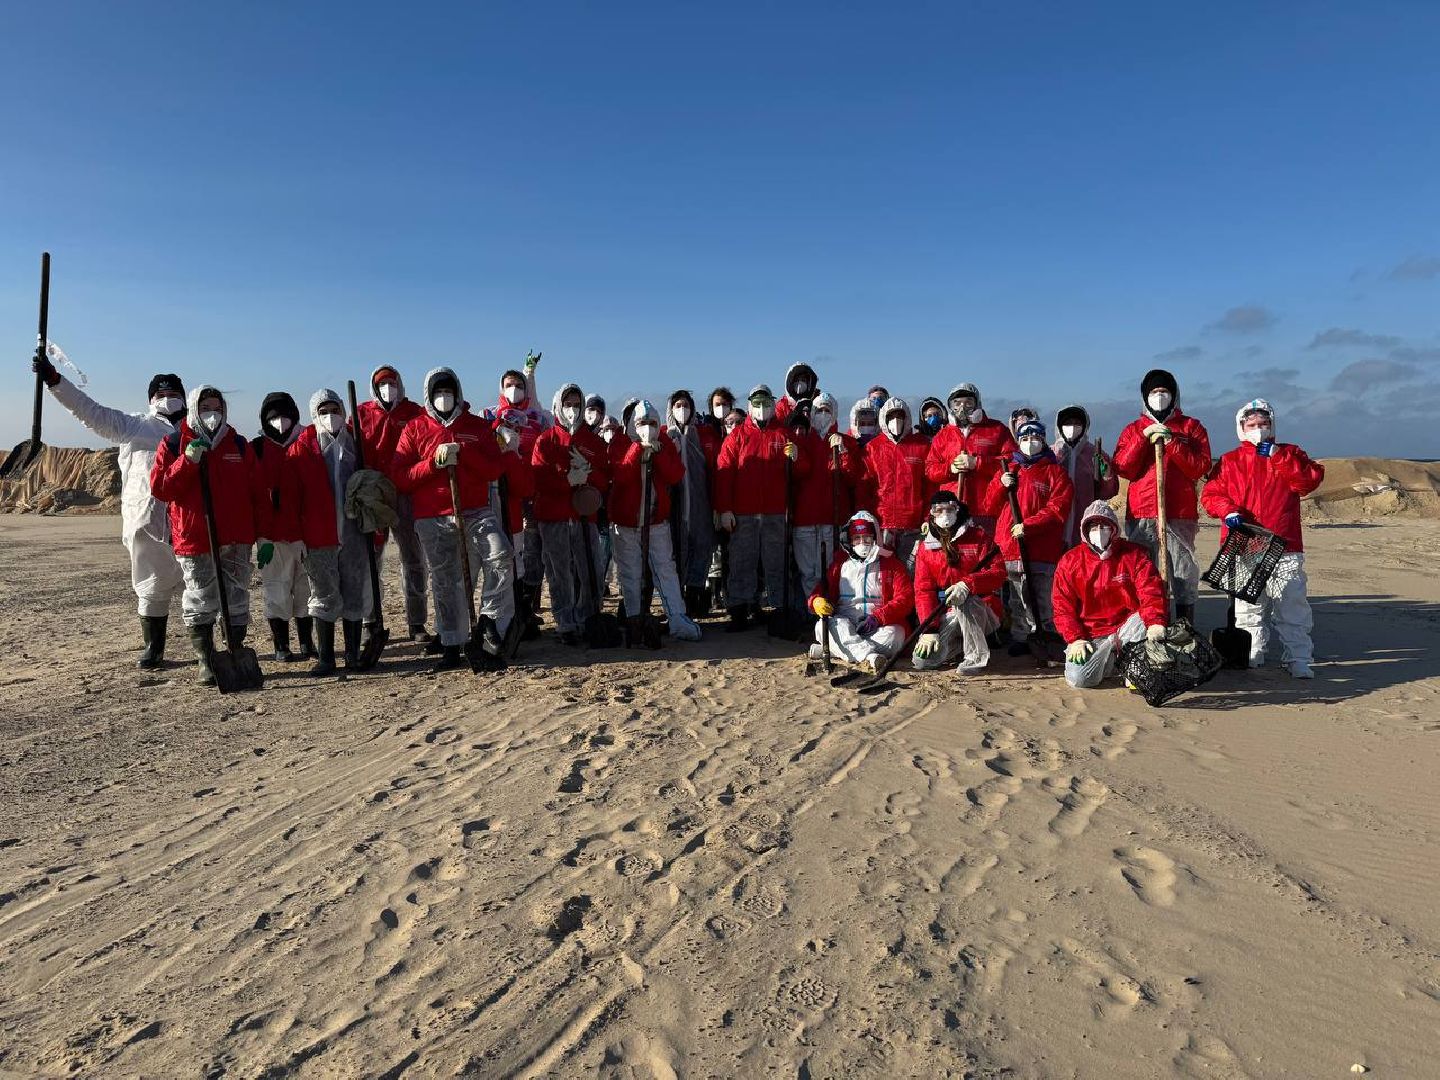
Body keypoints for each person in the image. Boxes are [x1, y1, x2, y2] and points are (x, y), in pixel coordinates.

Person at [33, 354, 186, 669]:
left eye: (173, 395)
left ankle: (207, 649)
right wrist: (56, 381)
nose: (167, 399)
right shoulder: (133, 426)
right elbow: (89, 411)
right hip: (149, 523)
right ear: (150, 399)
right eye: (160, 394)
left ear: (184, 398)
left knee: (202, 588)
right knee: (152, 586)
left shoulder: (197, 431)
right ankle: (153, 649)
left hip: (194, 525)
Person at [392, 367, 522, 670]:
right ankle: (452, 645)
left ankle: (488, 619)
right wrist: (433, 464)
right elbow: (400, 477)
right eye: (438, 392)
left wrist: (463, 453)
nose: (443, 397)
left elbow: (493, 468)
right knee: (445, 582)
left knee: (501, 554)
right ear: (429, 395)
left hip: (475, 509)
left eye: (448, 391)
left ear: (458, 393)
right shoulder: (414, 429)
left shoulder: (476, 427)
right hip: (433, 516)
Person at [1201, 398, 1325, 678]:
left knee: (1291, 604)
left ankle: (1298, 657)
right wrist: (1227, 511)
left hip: (1285, 542)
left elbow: (1307, 481)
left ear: (1272, 426)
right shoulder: (1230, 461)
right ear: (1241, 427)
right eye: (1252, 424)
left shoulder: (1290, 454)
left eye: (1264, 424)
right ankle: (1252, 651)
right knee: (1248, 606)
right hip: (1246, 543)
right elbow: (1210, 494)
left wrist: (1278, 458)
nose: (1258, 429)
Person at [149, 385, 259, 686]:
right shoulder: (173, 443)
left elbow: (256, 491)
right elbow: (161, 488)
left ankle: (235, 648)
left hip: (236, 536)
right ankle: (206, 659)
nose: (213, 414)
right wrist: (188, 461)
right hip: (195, 535)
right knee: (200, 598)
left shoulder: (238, 444)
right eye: (206, 407)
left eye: (218, 408)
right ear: (195, 409)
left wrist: (263, 536)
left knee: (237, 598)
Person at [1112, 368, 1212, 624]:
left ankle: (1184, 623)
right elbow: (1123, 467)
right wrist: (1142, 440)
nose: (1159, 396)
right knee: (1143, 569)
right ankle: (1147, 622)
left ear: (1174, 395)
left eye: (1164, 391)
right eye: (1155, 392)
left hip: (1178, 511)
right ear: (1145, 397)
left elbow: (1200, 467)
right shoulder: (1134, 429)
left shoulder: (1191, 427)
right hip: (1142, 510)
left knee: (1182, 569)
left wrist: (1173, 444)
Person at [291, 390, 372, 674]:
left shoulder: (356, 444)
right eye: (324, 410)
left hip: (353, 531)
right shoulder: (303, 447)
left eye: (335, 409)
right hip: (318, 534)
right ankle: (326, 656)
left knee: (353, 591)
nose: (330, 416)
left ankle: (352, 653)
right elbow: (293, 495)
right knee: (323, 593)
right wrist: (297, 536)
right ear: (314, 414)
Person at [608, 401, 703, 642]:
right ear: (631, 424)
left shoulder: (665, 443)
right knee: (630, 574)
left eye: (651, 423)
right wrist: (639, 449)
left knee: (666, 570)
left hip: (655, 520)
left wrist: (658, 454)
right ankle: (634, 618)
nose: (647, 428)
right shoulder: (619, 443)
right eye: (641, 423)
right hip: (627, 522)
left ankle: (677, 617)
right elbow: (621, 476)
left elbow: (675, 475)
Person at [713, 384, 805, 631]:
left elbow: (800, 474)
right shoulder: (737, 437)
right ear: (750, 406)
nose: (762, 408)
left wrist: (797, 458)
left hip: (776, 512)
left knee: (776, 562)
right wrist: (725, 509)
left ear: (772, 404)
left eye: (766, 403)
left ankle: (778, 607)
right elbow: (724, 475)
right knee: (743, 561)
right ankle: (740, 609)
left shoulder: (784, 435)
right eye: (757, 403)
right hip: (744, 513)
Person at [1052, 501, 1168, 688]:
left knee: (1143, 620)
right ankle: (1112, 662)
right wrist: (1075, 638)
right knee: (1079, 679)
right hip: (1091, 633)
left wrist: (1155, 621)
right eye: (1093, 526)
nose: (1099, 531)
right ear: (1085, 530)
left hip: (1128, 627)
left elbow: (1151, 591)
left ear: (1114, 529)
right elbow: (1062, 606)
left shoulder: (1134, 555)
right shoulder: (1070, 561)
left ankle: (1134, 666)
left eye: (1104, 525)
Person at [530, 382, 612, 645]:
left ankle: (588, 616)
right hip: (553, 516)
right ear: (558, 406)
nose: (573, 410)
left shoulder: (592, 442)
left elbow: (604, 478)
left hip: (583, 516)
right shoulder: (546, 440)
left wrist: (588, 471)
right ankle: (565, 622)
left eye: (577, 405)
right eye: (568, 405)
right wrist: (567, 479)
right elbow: (539, 480)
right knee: (559, 573)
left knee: (592, 569)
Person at [355, 365, 431, 642]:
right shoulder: (362, 413)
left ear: (400, 384)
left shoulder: (413, 412)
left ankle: (417, 622)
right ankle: (370, 621)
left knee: (413, 559)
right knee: (370, 561)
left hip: (405, 492)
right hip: (374, 497)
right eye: (383, 383)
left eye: (392, 382)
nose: (388, 388)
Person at [992, 420, 1074, 656]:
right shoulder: (1010, 469)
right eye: (1025, 439)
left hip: (1041, 547)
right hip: (1009, 545)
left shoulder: (1055, 473)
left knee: (1040, 597)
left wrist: (1028, 526)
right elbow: (990, 504)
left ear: (1043, 440)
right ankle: (1020, 636)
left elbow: (1058, 509)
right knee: (1017, 597)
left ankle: (1043, 634)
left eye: (1035, 438)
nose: (1030, 443)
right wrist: (1000, 485)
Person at [808, 511, 914, 673]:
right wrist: (816, 601)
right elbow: (820, 591)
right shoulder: (839, 564)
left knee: (896, 634)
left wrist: (878, 618)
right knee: (825, 626)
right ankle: (870, 657)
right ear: (849, 541)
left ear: (875, 538)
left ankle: (837, 650)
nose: (862, 543)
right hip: (845, 621)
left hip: (879, 625)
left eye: (867, 538)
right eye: (857, 539)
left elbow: (906, 599)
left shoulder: (892, 564)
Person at [912, 492, 1007, 673]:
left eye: (950, 509)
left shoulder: (979, 537)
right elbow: (923, 591)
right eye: (938, 510)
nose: (945, 514)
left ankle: (975, 658)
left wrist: (968, 584)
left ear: (958, 510)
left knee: (966, 601)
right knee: (923, 661)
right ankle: (959, 647)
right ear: (931, 514)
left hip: (981, 607)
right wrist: (929, 630)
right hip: (945, 612)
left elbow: (998, 573)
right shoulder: (926, 548)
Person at [252, 392, 312, 662]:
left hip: (305, 534)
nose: (279, 422)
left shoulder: (308, 441)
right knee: (276, 590)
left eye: (284, 415)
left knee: (306, 591)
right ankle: (281, 645)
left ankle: (307, 642)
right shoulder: (256, 449)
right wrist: (259, 536)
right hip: (271, 538)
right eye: (273, 417)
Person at [792, 392, 864, 599]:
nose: (823, 415)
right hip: (805, 518)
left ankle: (832, 606)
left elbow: (852, 478)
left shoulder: (846, 443)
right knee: (808, 571)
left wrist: (842, 452)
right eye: (819, 410)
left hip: (835, 518)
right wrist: (795, 457)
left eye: (827, 410)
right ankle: (813, 611)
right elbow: (798, 474)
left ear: (834, 414)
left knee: (835, 569)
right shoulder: (802, 441)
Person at [496, 353, 551, 619]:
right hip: (506, 494)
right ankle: (512, 602)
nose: (514, 389)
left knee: (533, 546)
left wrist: (529, 371)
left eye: (518, 385)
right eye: (508, 384)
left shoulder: (536, 417)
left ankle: (531, 601)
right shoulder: (493, 416)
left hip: (534, 489)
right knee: (508, 548)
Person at [924, 383, 1016, 536]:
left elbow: (1012, 460)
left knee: (984, 554)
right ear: (950, 407)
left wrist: (978, 463)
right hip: (951, 510)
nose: (962, 407)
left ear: (977, 403)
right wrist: (950, 468)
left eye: (968, 402)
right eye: (957, 403)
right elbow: (929, 469)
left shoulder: (996, 430)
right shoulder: (943, 435)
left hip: (986, 508)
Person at [664, 389, 720, 617]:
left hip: (700, 506)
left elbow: (714, 471)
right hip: (674, 509)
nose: (682, 409)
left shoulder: (702, 435)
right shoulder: (664, 437)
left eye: (685, 405)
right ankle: (678, 601)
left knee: (702, 551)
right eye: (677, 405)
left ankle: (695, 595)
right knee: (676, 553)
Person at [861, 396, 931, 568]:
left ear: (907, 418)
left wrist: (928, 517)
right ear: (884, 419)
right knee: (884, 573)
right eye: (891, 417)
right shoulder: (873, 448)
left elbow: (929, 486)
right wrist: (867, 519)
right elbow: (864, 487)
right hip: (882, 525)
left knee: (912, 572)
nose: (896, 421)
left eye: (900, 416)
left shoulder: (921, 445)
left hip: (913, 525)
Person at [1051, 405, 1119, 548]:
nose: (1073, 427)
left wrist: (1107, 476)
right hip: (1055, 524)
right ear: (1059, 426)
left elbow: (1107, 493)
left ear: (1085, 426)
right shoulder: (1052, 454)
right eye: (1068, 423)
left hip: (1084, 523)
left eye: (1077, 423)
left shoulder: (1095, 453)